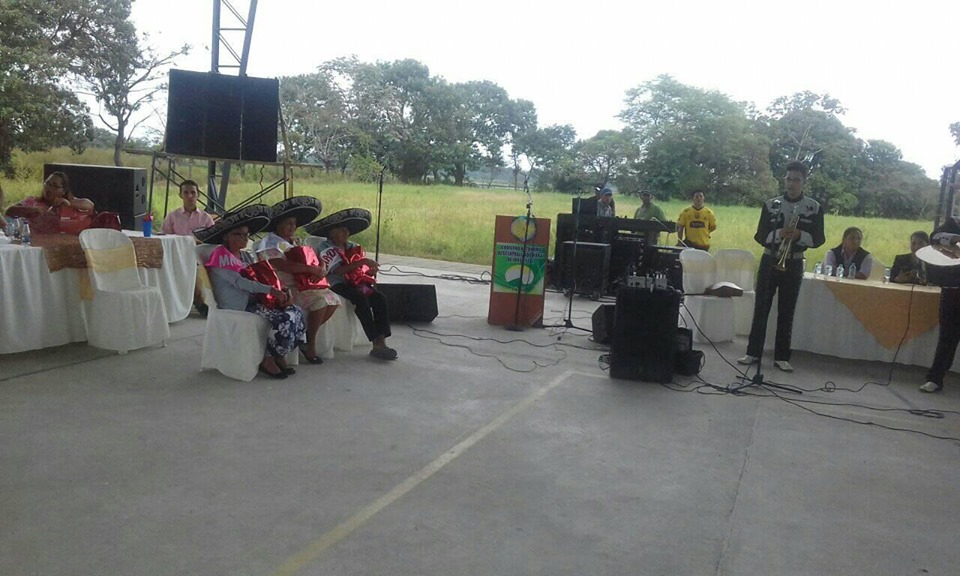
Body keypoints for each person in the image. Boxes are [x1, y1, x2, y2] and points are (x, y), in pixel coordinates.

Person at [196, 204, 308, 380]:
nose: (244, 238)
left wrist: (281, 289)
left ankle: (279, 354)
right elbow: (241, 283)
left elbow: (264, 275)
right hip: (239, 303)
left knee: (296, 311)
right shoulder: (220, 257)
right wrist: (271, 290)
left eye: (246, 234)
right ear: (226, 236)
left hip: (256, 299)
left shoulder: (246, 255)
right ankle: (269, 359)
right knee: (284, 318)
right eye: (238, 234)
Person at [738, 161, 825, 373]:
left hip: (794, 261)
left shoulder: (813, 207)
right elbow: (760, 235)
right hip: (770, 259)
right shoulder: (771, 204)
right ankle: (753, 352)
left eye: (796, 180)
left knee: (787, 310)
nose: (791, 184)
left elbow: (819, 239)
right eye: (788, 179)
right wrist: (779, 234)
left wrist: (799, 235)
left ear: (804, 182)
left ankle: (782, 356)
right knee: (761, 307)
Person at [256, 196, 340, 364]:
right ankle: (310, 344)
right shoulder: (269, 243)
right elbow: (281, 265)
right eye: (288, 223)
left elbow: (314, 257)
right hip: (285, 288)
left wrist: (321, 268)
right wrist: (311, 269)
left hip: (305, 283)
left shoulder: (295, 241)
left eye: (294, 224)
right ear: (277, 225)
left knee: (333, 300)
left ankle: (306, 334)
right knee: (321, 301)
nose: (292, 227)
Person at [306, 208, 398, 360]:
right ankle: (375, 341)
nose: (346, 233)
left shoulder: (352, 246)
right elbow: (337, 271)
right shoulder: (325, 248)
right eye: (342, 230)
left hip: (357, 282)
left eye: (347, 231)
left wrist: (370, 270)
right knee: (359, 298)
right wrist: (362, 262)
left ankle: (382, 339)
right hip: (337, 283)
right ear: (333, 233)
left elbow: (361, 270)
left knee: (379, 298)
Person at [163, 180, 217, 317]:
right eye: (186, 193)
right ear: (180, 195)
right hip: (178, 258)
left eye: (193, 192)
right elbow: (165, 238)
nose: (190, 196)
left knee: (197, 273)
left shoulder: (206, 218)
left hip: (198, 259)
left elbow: (213, 241)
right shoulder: (172, 216)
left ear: (198, 195)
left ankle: (201, 303)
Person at [920, 218, 960, 393]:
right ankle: (935, 378)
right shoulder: (954, 224)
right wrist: (955, 239)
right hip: (954, 291)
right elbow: (934, 237)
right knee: (947, 337)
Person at [5, 172, 95, 234]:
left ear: (64, 191)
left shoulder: (67, 202)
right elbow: (9, 211)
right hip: (36, 243)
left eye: (55, 186)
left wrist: (70, 204)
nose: (49, 188)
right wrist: (32, 210)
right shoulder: (33, 202)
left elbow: (90, 205)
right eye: (47, 184)